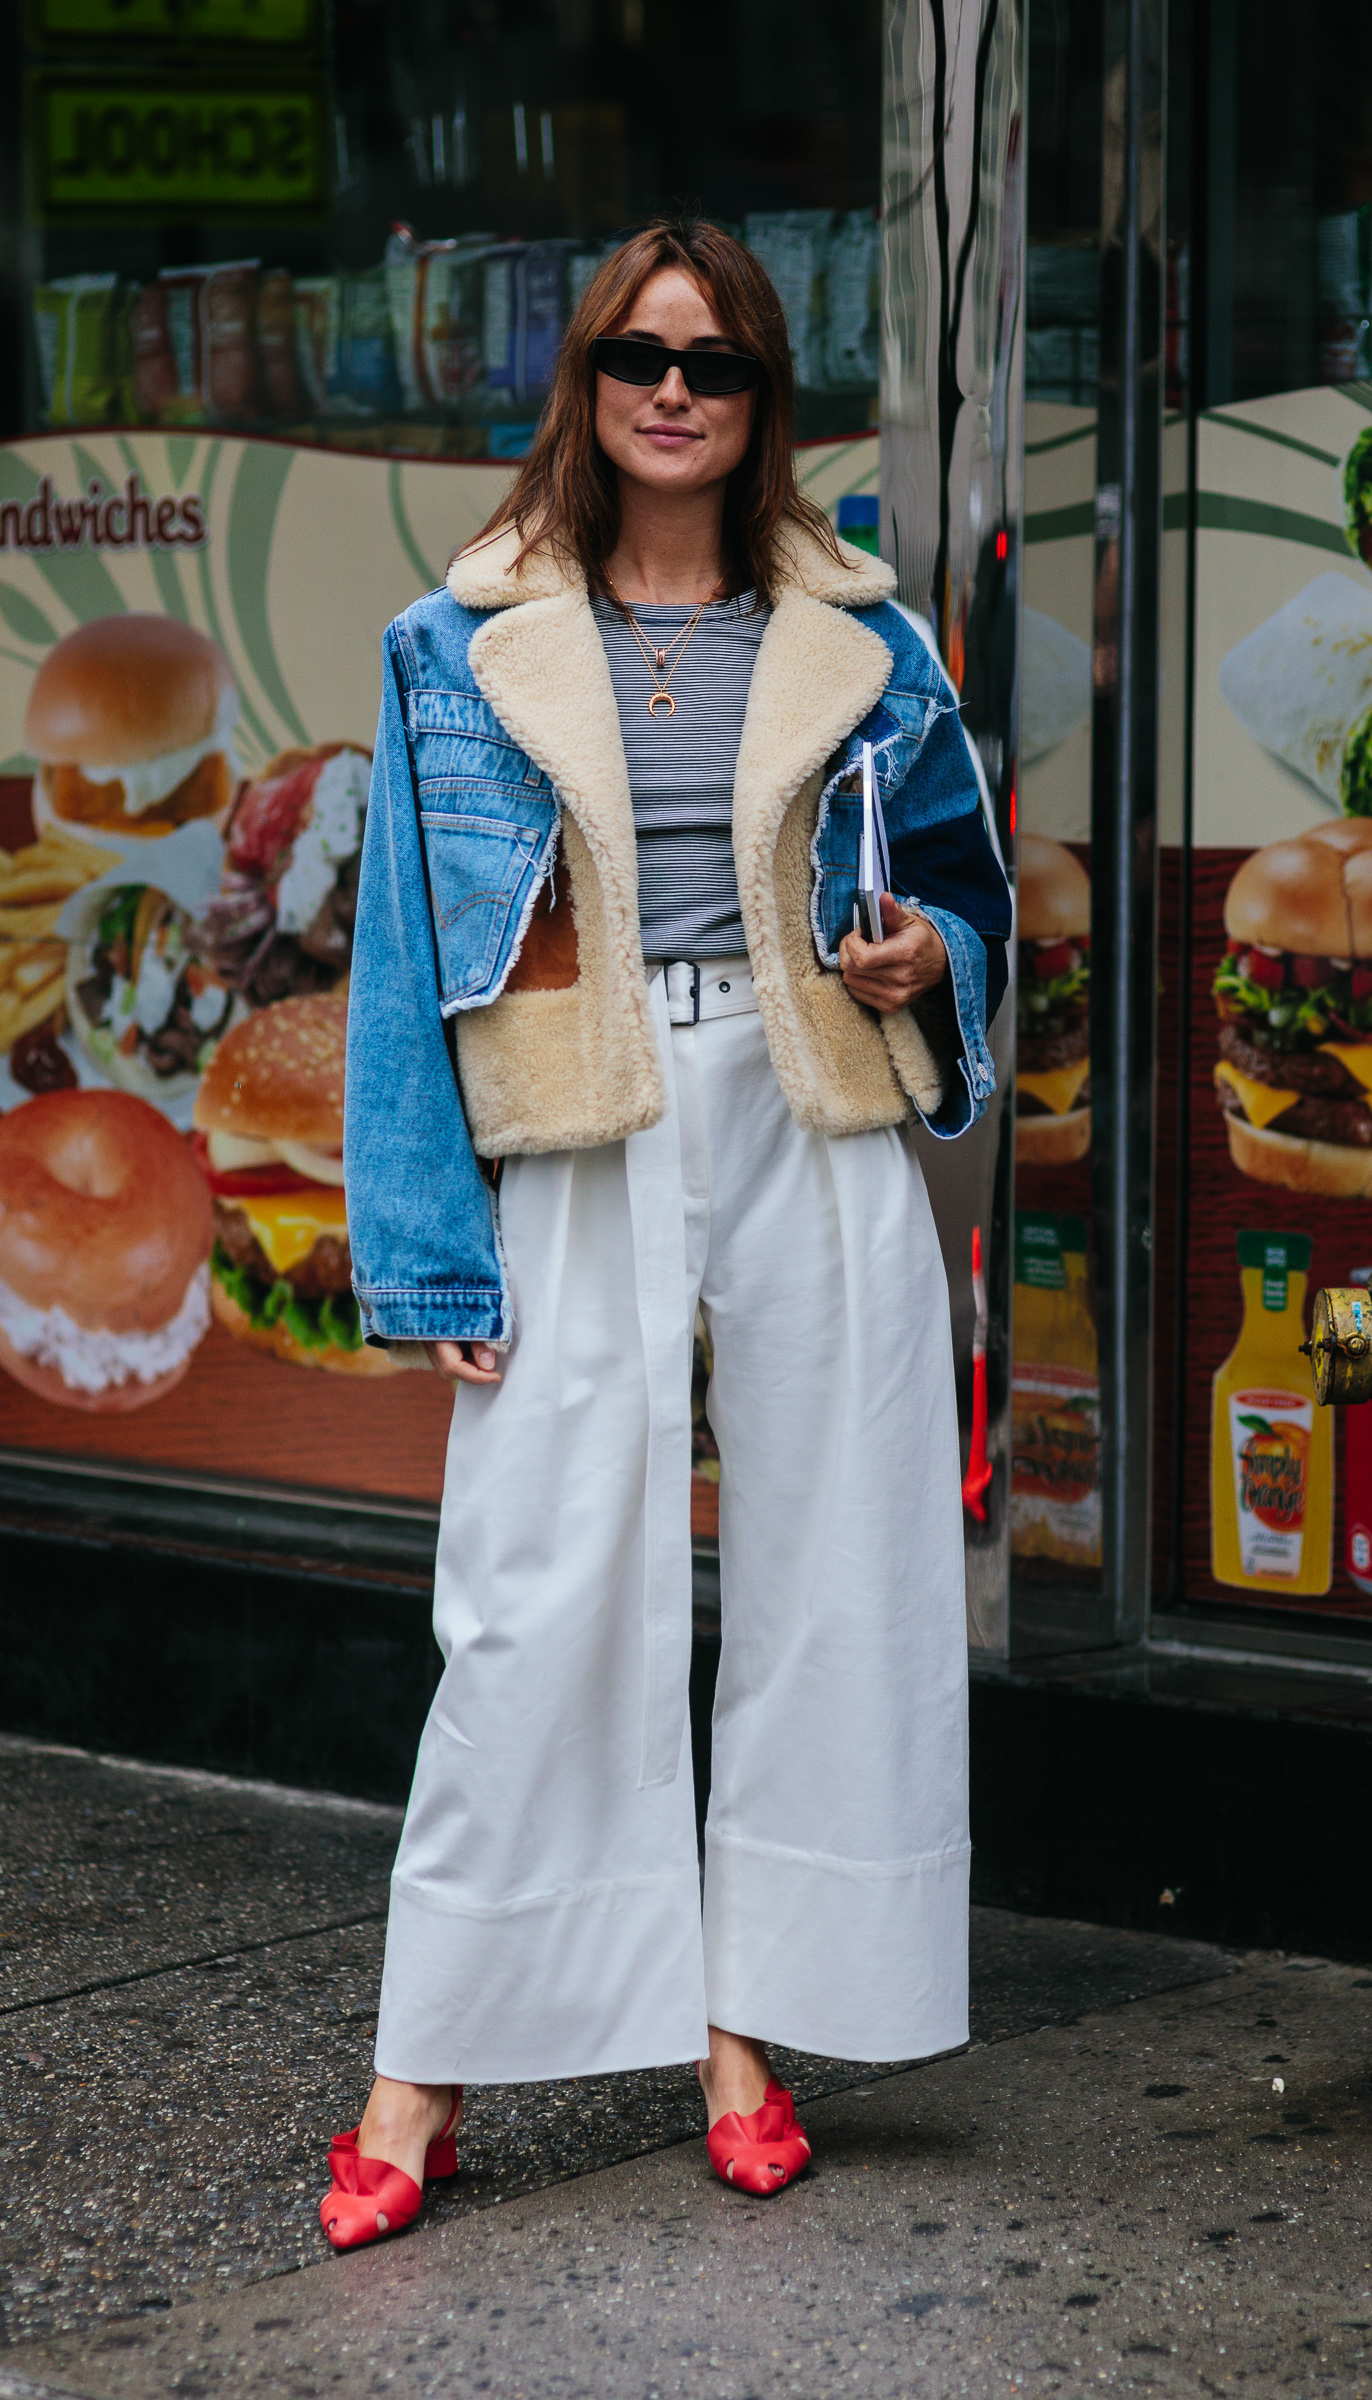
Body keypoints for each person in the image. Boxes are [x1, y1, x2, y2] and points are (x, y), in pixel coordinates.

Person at [326, 218, 1010, 2248]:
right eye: (637, 353)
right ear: (586, 381)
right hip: (576, 1117)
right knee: (535, 1591)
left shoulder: (871, 648)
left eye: (710, 363)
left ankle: (744, 2032)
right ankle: (420, 2071)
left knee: (839, 1580)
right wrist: (426, 1242)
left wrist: (926, 966)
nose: (672, 390)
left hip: (806, 1110)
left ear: (758, 397)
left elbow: (973, 904)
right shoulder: (454, 645)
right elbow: (397, 968)